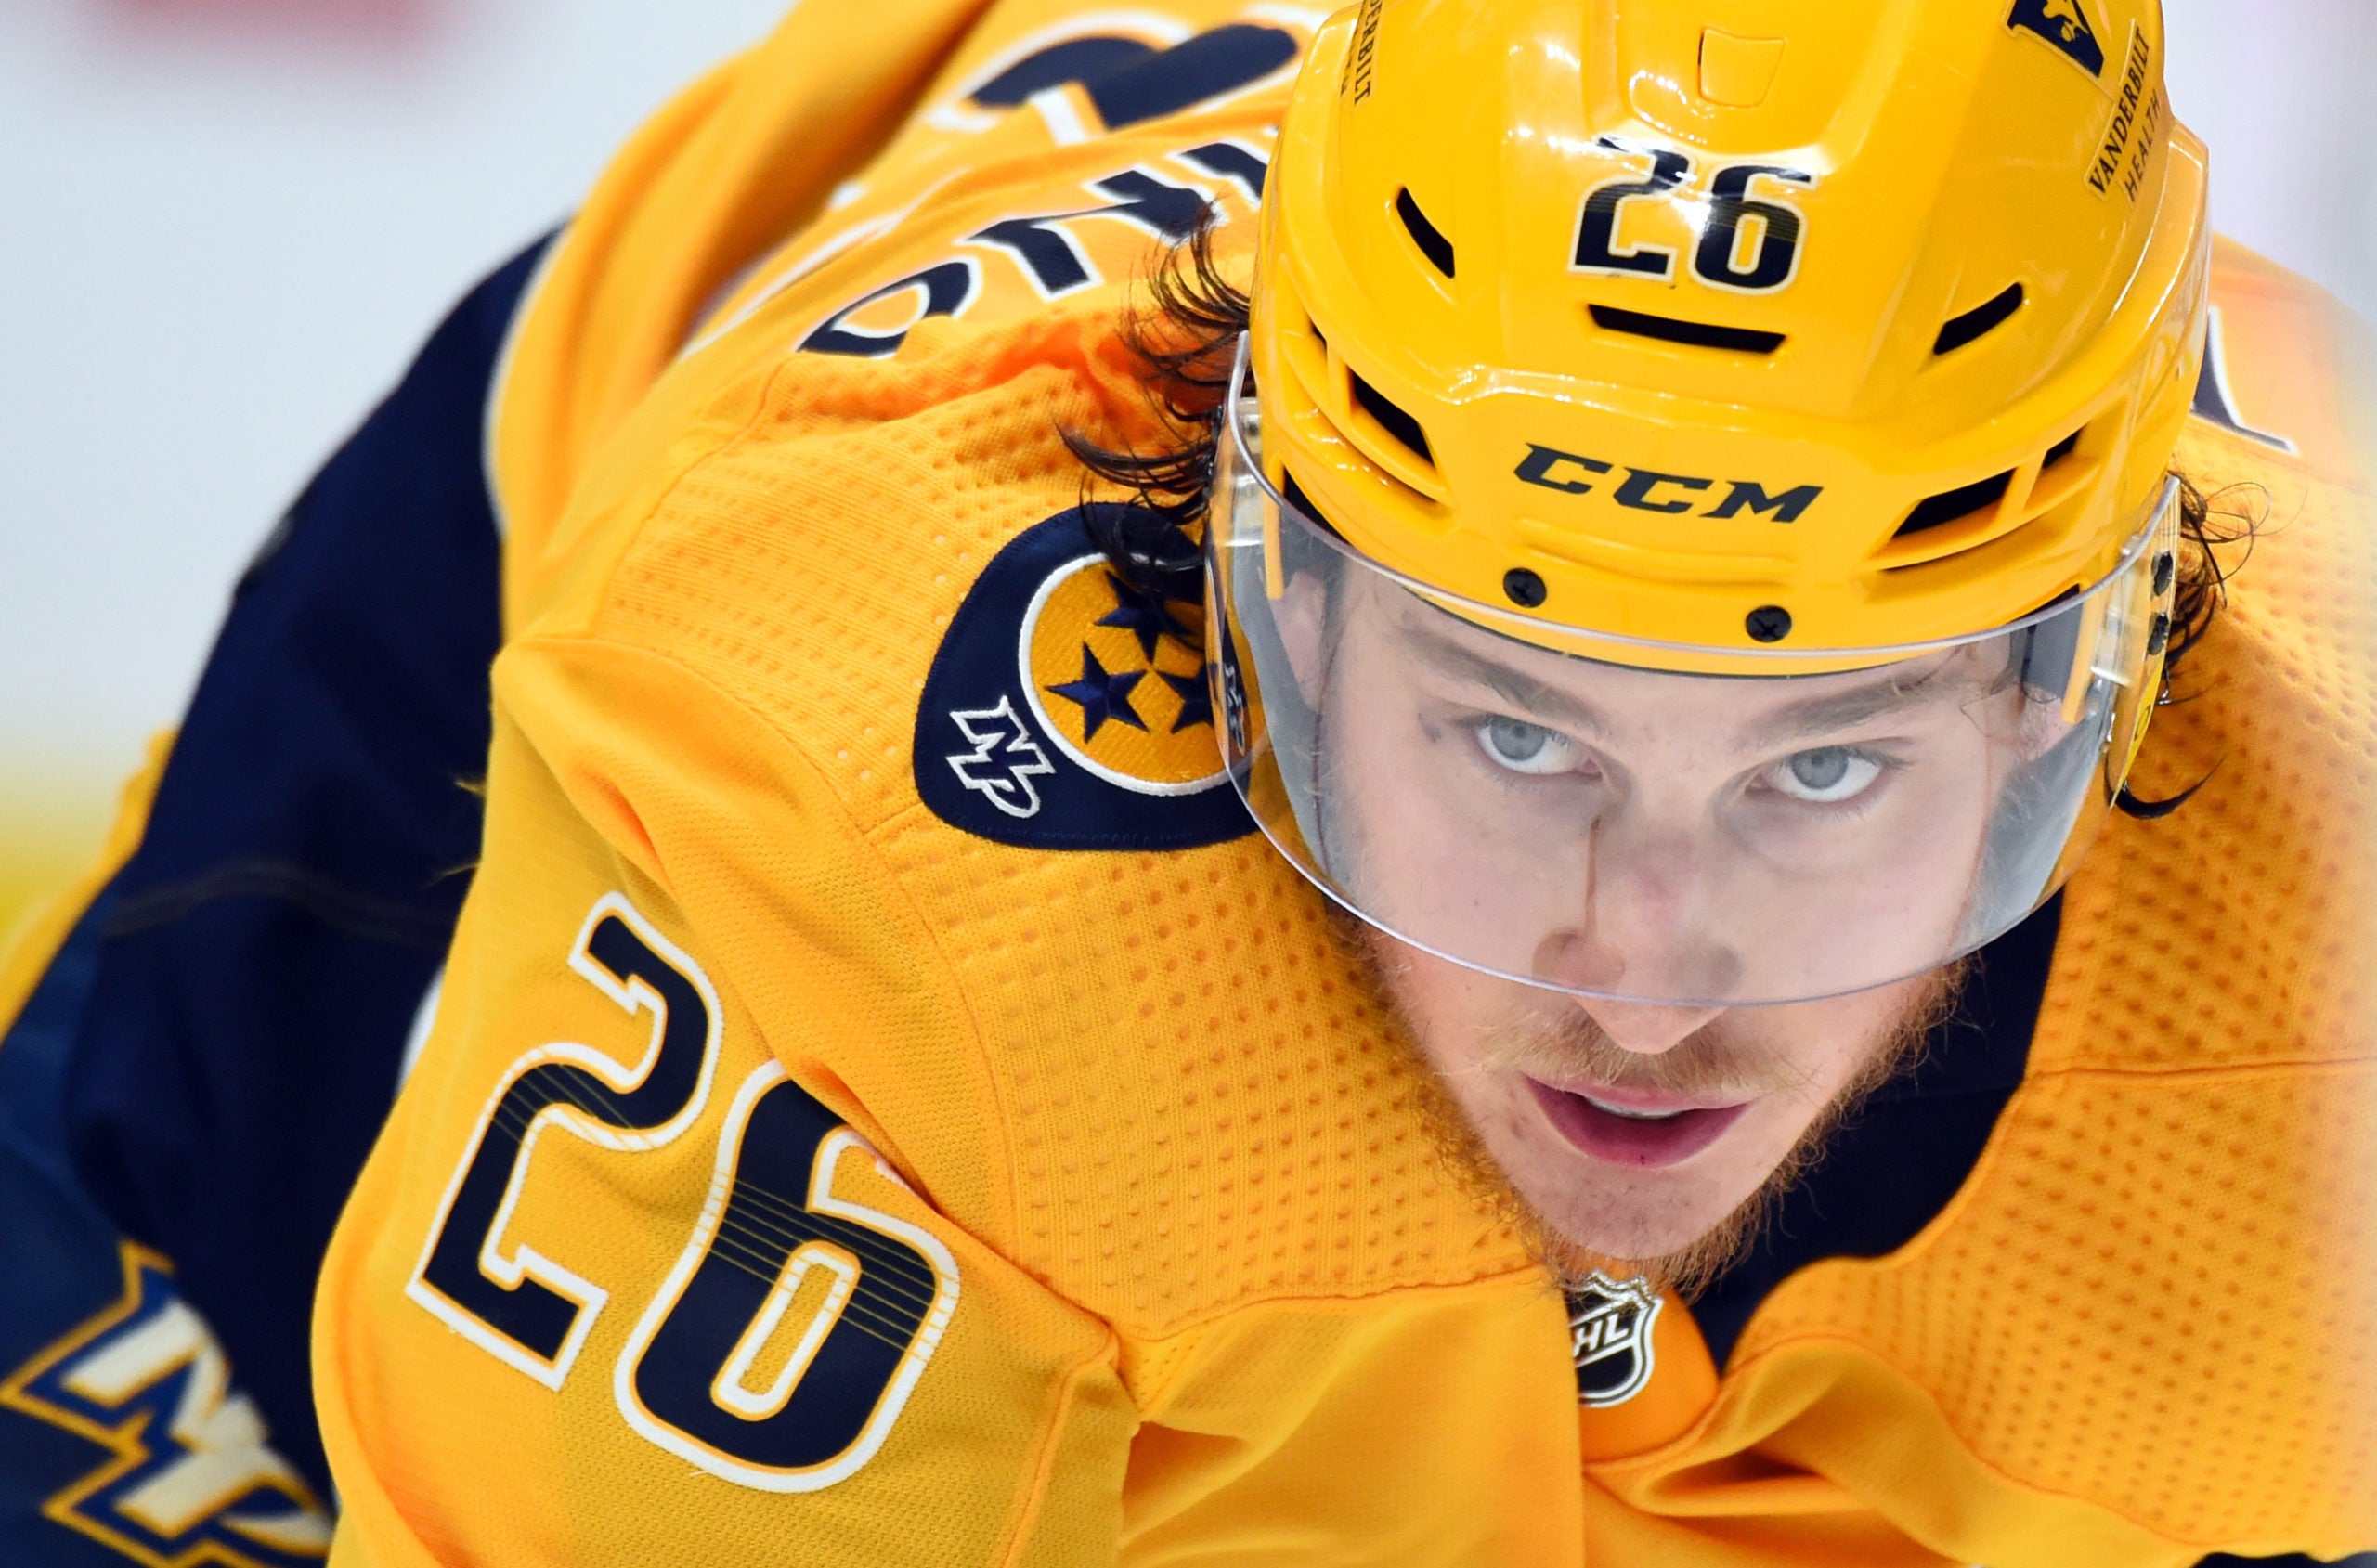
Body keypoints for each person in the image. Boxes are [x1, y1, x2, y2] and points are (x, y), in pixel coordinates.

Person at [2, 0, 2372, 1563]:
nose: (1644, 978)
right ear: (1272, 610)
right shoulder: (854, 830)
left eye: (1822, 760)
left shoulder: (2328, 946)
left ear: (2091, 679)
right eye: (1513, 728)